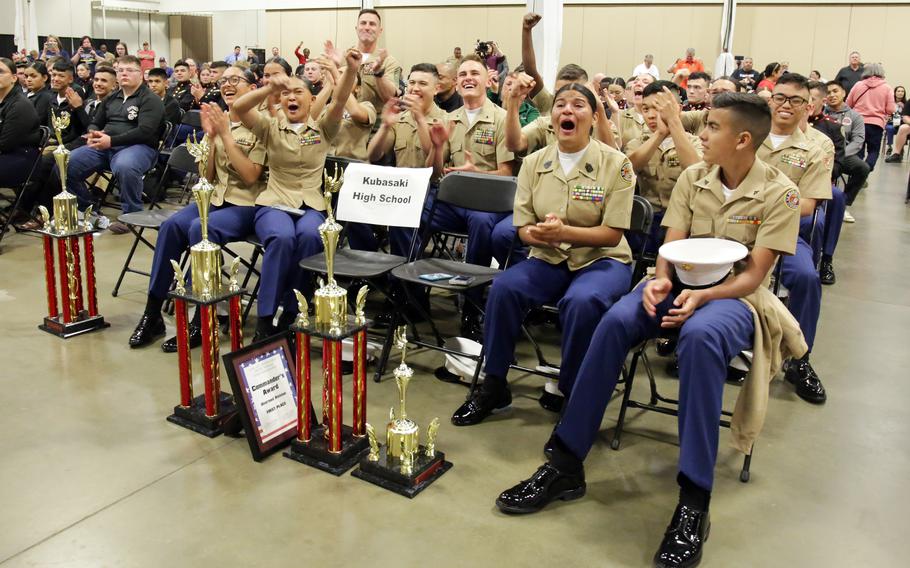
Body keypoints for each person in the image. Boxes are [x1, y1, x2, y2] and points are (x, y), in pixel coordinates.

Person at [498, 93, 804, 568]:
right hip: (674, 283)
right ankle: (565, 462)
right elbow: (671, 245)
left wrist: (703, 297)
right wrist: (660, 278)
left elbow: (753, 275)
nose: (700, 134)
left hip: (733, 297)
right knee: (616, 320)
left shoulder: (779, 193)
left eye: (713, 127)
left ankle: (693, 500)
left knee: (701, 339)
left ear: (743, 140)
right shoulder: (692, 177)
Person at [450, 82, 635, 427]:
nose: (567, 111)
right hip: (549, 256)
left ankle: (572, 393)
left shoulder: (616, 164)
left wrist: (565, 232)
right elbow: (522, 228)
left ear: (594, 118)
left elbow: (613, 234)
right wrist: (537, 234)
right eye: (561, 104)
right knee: (504, 288)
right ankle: (494, 384)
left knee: (582, 302)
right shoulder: (534, 162)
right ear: (551, 118)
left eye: (579, 105)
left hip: (602, 259)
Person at [130, 65, 269, 348]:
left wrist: (226, 136)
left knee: (200, 229)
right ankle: (152, 312)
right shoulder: (219, 119)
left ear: (252, 89)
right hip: (215, 198)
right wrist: (211, 140)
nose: (227, 85)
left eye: (235, 80)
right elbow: (206, 177)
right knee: (170, 227)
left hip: (247, 203)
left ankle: (202, 319)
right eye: (224, 81)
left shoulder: (263, 125)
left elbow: (251, 176)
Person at [230, 49, 359, 340]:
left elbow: (339, 99)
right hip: (274, 203)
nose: (292, 97)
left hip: (311, 205)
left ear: (311, 100)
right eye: (287, 93)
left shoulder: (324, 128)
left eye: (299, 92)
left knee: (312, 237)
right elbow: (239, 107)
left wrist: (350, 70)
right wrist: (270, 87)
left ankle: (293, 312)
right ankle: (265, 320)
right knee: (282, 238)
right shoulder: (269, 127)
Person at [425, 54, 516, 338]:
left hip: (488, 204)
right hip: (453, 201)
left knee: (481, 223)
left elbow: (507, 174)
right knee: (414, 209)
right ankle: (410, 295)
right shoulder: (448, 119)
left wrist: (474, 174)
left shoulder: (501, 119)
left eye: (474, 73)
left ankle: (473, 307)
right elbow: (435, 173)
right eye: (462, 73)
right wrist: (438, 148)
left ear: (489, 81)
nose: (467, 78)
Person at [757, 73, 829, 404]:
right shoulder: (749, 136)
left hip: (783, 234)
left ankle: (800, 360)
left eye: (795, 101)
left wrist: (759, 207)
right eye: (780, 97)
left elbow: (808, 205)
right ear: (770, 100)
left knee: (805, 277)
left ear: (806, 108)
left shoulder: (813, 151)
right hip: (733, 228)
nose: (786, 105)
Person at [64, 55, 165, 232]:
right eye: (120, 70)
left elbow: (145, 132)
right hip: (106, 146)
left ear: (141, 75)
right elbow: (96, 121)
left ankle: (132, 216)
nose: (124, 73)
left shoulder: (150, 99)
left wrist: (111, 140)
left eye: (130, 70)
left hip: (140, 147)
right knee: (66, 163)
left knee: (125, 165)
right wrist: (93, 132)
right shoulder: (111, 99)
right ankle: (88, 208)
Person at [13, 66, 117, 229]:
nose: (98, 83)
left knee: (51, 164)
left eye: (104, 81)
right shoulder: (90, 101)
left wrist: (78, 108)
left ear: (114, 85)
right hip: (77, 143)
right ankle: (27, 208)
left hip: (95, 147)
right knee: (36, 162)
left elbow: (90, 130)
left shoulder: (112, 105)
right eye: (96, 80)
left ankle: (43, 212)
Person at [367, 63, 447, 257]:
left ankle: (404, 280)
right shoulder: (401, 118)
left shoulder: (445, 119)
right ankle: (367, 264)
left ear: (436, 89)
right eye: (411, 82)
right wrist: (386, 125)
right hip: (399, 187)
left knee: (401, 215)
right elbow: (373, 155)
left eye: (422, 83)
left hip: (431, 191)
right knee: (352, 209)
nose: (415, 88)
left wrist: (420, 119)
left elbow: (434, 169)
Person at [626, 81, 702, 255]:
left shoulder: (694, 142)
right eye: (645, 109)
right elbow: (627, 170)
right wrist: (659, 134)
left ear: (677, 110)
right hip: (647, 220)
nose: (651, 115)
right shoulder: (637, 143)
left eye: (658, 108)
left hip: (685, 221)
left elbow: (697, 172)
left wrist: (673, 124)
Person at [804, 81, 846, 286]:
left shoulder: (831, 128)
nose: (808, 103)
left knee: (836, 196)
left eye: (812, 99)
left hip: (818, 180)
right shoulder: (785, 124)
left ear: (823, 101)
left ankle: (826, 258)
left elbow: (838, 165)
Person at [825, 81, 870, 210]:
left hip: (843, 154)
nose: (832, 95)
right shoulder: (820, 113)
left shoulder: (855, 116)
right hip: (820, 153)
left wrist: (840, 154)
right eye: (828, 92)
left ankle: (843, 203)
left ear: (844, 93)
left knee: (863, 168)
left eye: (835, 91)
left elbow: (858, 140)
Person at [0, 58, 42, 190]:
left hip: (22, 159)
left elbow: (5, 144)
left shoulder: (20, 105)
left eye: (0, 72)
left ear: (13, 78)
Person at [846, 63, 894, 171]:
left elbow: (848, 103)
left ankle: (858, 173)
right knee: (873, 150)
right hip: (876, 124)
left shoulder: (858, 85)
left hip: (857, 122)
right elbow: (891, 109)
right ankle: (866, 170)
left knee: (858, 149)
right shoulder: (887, 88)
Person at [885, 85, 905, 153]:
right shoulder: (890, 102)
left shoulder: (906, 103)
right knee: (890, 128)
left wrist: (904, 107)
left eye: (902, 91)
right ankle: (890, 146)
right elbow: (885, 113)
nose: (900, 93)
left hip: (902, 123)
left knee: (904, 128)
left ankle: (901, 147)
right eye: (898, 91)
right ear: (895, 93)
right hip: (891, 122)